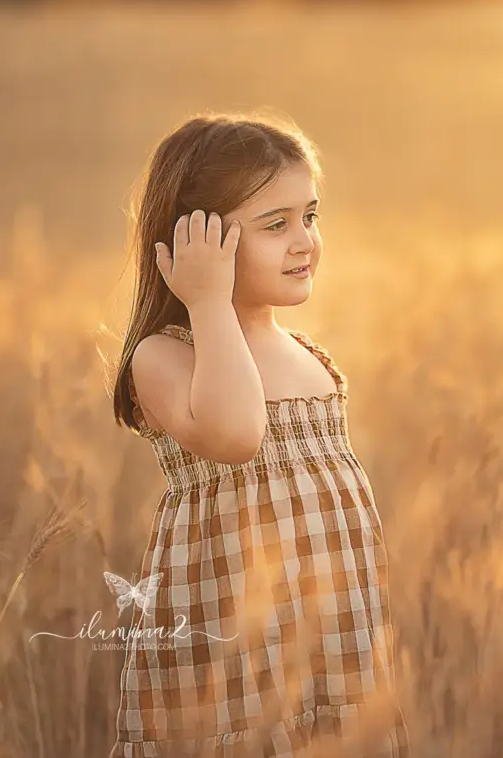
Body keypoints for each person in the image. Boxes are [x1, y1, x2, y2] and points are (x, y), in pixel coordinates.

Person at [108, 114, 411, 757]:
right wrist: (209, 301)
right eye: (276, 225)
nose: (304, 241)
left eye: (311, 216)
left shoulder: (310, 358)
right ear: (196, 241)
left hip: (330, 648)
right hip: (234, 654)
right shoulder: (165, 358)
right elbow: (238, 433)